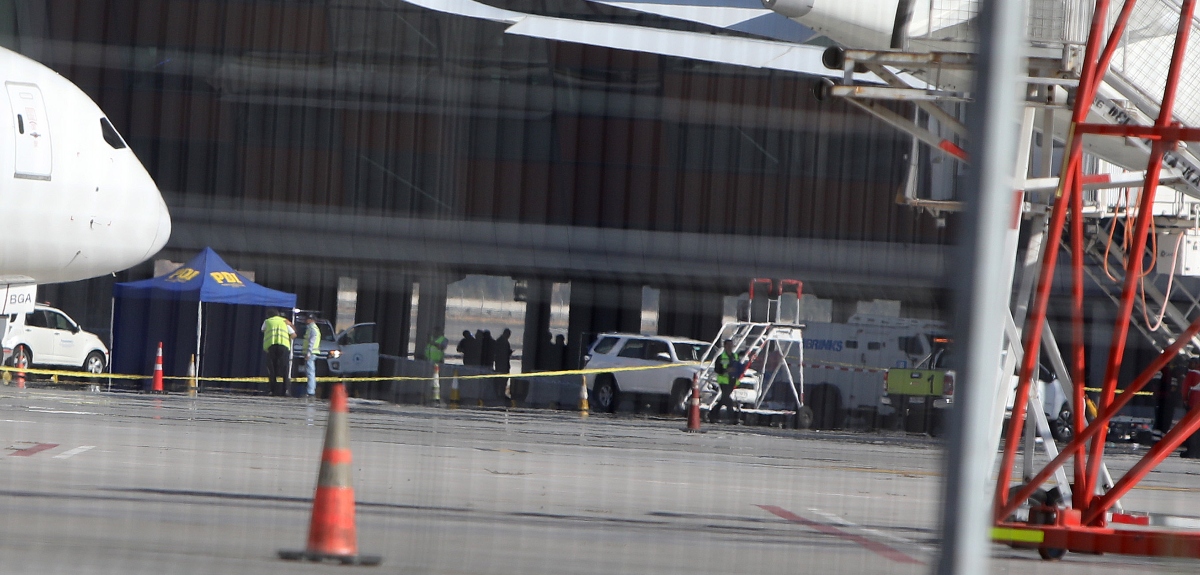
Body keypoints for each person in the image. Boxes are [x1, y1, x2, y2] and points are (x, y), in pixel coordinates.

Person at [261, 310, 296, 397]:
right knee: (285, 369)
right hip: (283, 346)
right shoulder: (284, 321)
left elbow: (263, 330)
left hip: (271, 346)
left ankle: (271, 390)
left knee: (272, 369)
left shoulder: (267, 321)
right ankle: (286, 390)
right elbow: (294, 334)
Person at [709, 339, 741, 424]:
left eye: (731, 345)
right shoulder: (721, 357)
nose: (730, 347)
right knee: (728, 399)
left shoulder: (735, 356)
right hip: (724, 381)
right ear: (725, 346)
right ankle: (732, 417)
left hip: (732, 381)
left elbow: (738, 367)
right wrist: (726, 370)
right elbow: (717, 369)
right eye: (728, 345)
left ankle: (712, 414)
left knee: (724, 399)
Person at [1183, 359, 1200, 458]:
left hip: (1194, 402)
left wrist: (1185, 399)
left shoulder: (1193, 373)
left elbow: (1185, 387)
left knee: (1191, 428)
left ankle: (1192, 451)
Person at [302, 315, 321, 398]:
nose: (306, 320)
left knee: (310, 373)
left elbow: (311, 342)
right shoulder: (312, 328)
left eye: (307, 319)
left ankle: (310, 392)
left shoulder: (312, 329)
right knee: (310, 372)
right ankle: (310, 391)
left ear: (311, 320)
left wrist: (308, 353)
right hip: (311, 353)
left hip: (311, 353)